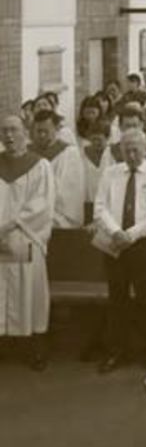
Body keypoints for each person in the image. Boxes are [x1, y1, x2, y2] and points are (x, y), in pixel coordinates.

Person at [93, 129, 146, 373]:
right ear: (121, 150)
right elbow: (100, 208)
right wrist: (116, 232)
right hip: (115, 243)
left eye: (136, 149)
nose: (132, 154)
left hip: (145, 244)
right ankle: (116, 351)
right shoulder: (111, 173)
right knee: (117, 298)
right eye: (127, 150)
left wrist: (131, 235)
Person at [0, 115, 55, 370]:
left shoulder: (39, 166)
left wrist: (10, 225)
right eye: (4, 131)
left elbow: (42, 204)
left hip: (26, 237)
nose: (9, 136)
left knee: (29, 291)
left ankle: (35, 345)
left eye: (14, 130)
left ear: (25, 133)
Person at [30, 110, 85, 228]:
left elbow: (70, 193)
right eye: (38, 131)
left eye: (46, 131)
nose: (42, 135)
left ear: (56, 129)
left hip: (57, 219)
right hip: (29, 217)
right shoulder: (27, 153)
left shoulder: (69, 153)